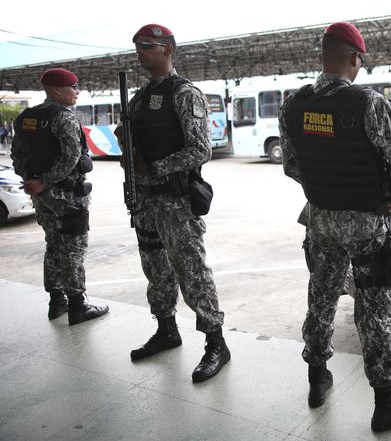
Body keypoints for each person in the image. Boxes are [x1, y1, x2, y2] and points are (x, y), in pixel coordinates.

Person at [279, 22, 391, 432]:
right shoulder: (368, 102)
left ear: (321, 56)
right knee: (373, 313)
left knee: (321, 299)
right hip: (367, 223)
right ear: (355, 58)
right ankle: (386, 402)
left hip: (321, 220)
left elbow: (292, 166)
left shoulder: (293, 105)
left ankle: (317, 379)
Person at [121, 24, 229, 383]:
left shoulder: (184, 94)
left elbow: (201, 149)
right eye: (136, 45)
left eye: (147, 45)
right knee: (156, 270)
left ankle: (216, 343)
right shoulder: (137, 99)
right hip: (146, 203)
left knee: (192, 272)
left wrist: (153, 168)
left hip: (175, 201)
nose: (139, 51)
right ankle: (166, 329)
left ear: (167, 49)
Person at [10, 68, 109, 324]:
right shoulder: (63, 117)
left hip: (43, 198)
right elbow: (71, 157)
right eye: (73, 86)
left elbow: (17, 156)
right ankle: (78, 306)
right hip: (67, 195)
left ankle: (57, 302)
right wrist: (44, 182)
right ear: (56, 89)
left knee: (53, 245)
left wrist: (31, 181)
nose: (77, 91)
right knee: (74, 247)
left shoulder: (25, 118)